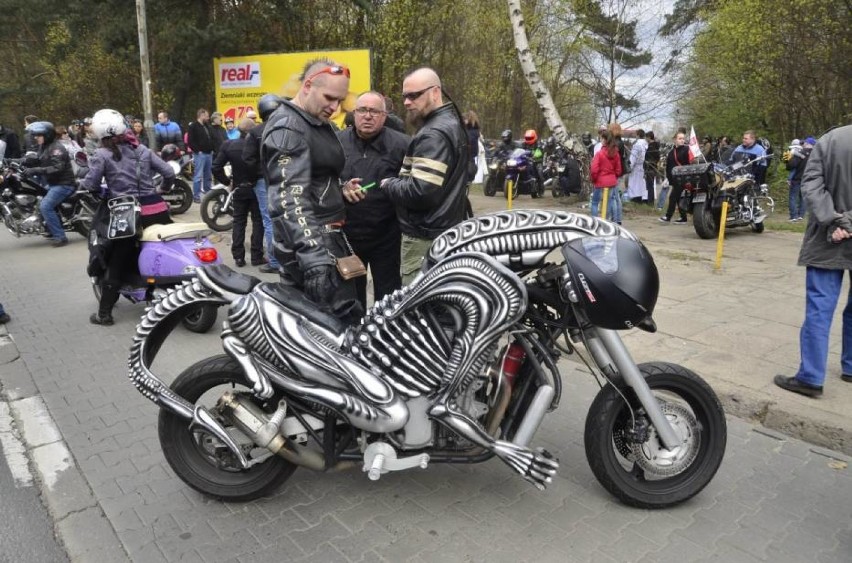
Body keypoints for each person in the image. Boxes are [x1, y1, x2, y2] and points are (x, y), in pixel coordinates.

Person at [259, 59, 363, 323]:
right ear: (307, 86)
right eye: (329, 97)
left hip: (327, 240)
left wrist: (339, 189)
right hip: (313, 246)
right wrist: (314, 258)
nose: (335, 107)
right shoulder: (288, 128)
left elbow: (312, 180)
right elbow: (289, 199)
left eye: (340, 101)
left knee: (346, 330)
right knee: (331, 339)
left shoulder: (314, 121)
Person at [352, 67, 468, 286]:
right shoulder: (449, 124)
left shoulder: (433, 133)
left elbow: (421, 193)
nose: (406, 102)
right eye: (405, 96)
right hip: (439, 231)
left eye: (414, 95)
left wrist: (389, 183)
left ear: (435, 92)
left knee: (416, 309)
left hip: (425, 236)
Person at [774, 125, 852, 398]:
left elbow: (811, 184)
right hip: (834, 232)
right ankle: (851, 365)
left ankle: (811, 376)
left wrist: (836, 220)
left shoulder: (831, 139)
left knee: (820, 308)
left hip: (827, 236)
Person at [82, 109, 174, 326]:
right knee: (163, 247)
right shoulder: (142, 149)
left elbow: (91, 184)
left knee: (117, 260)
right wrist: (161, 189)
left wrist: (101, 191)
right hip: (157, 210)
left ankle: (104, 314)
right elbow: (169, 172)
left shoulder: (101, 155)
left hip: (127, 214)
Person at [338, 91, 410, 309]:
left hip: (388, 236)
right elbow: (320, 181)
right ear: (354, 113)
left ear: (384, 115)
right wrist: (341, 188)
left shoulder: (403, 145)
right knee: (351, 299)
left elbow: (414, 187)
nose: (367, 116)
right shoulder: (337, 142)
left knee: (388, 300)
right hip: (348, 236)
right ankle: (355, 339)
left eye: (374, 111)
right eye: (362, 110)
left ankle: (385, 339)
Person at [212, 118, 264, 268]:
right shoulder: (260, 145)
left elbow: (216, 167)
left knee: (239, 221)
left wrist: (228, 182)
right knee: (258, 221)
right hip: (256, 186)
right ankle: (256, 256)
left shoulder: (229, 145)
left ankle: (239, 257)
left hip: (239, 188)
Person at [19, 121, 75, 246]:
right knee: (38, 200)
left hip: (64, 183)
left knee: (45, 206)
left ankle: (60, 236)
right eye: (35, 135)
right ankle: (50, 228)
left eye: (38, 135)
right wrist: (15, 161)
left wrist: (35, 170)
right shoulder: (44, 147)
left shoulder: (56, 149)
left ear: (47, 135)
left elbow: (57, 168)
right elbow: (36, 160)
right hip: (54, 183)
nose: (35, 138)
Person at [242, 99, 279, 274]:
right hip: (286, 178)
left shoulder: (255, 132)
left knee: (269, 220)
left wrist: (253, 178)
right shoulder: (285, 130)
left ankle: (275, 261)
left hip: (263, 181)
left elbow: (248, 159)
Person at [589, 130, 622, 221]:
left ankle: (595, 222)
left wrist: (593, 179)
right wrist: (613, 177)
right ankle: (607, 222)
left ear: (604, 139)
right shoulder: (616, 153)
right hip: (611, 182)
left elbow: (594, 169)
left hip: (600, 182)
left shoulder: (599, 154)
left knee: (595, 203)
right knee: (609, 203)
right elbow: (618, 170)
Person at [659, 129, 690, 224]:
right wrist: (668, 178)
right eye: (680, 138)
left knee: (673, 197)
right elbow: (669, 166)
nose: (682, 140)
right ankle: (683, 218)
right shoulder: (672, 152)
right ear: (675, 140)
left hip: (683, 178)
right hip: (674, 179)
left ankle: (668, 217)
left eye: (683, 138)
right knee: (677, 198)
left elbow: (689, 164)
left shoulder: (686, 150)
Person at [186, 108, 214, 202]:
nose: (208, 118)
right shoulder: (193, 126)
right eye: (206, 116)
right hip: (200, 154)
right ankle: (196, 196)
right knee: (198, 175)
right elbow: (190, 141)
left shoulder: (207, 126)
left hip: (209, 153)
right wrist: (198, 151)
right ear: (201, 115)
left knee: (208, 175)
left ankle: (208, 194)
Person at [785, 138, 813, 222]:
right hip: (807, 178)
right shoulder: (815, 154)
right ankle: (801, 215)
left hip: (796, 178)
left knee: (793, 197)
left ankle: (793, 216)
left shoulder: (798, 153)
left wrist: (788, 160)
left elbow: (791, 166)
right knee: (803, 197)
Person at [626, 128, 647, 203]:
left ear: (638, 135)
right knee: (641, 184)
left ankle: (635, 199)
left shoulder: (637, 145)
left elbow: (633, 157)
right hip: (643, 166)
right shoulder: (646, 144)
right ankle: (641, 198)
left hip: (636, 167)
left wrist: (629, 166)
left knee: (634, 184)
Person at [644, 131, 660, 206]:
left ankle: (650, 202)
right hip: (652, 168)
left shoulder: (652, 147)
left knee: (650, 186)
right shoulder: (654, 146)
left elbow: (652, 158)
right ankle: (650, 201)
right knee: (650, 186)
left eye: (646, 137)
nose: (645, 139)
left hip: (650, 168)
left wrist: (649, 162)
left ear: (649, 137)